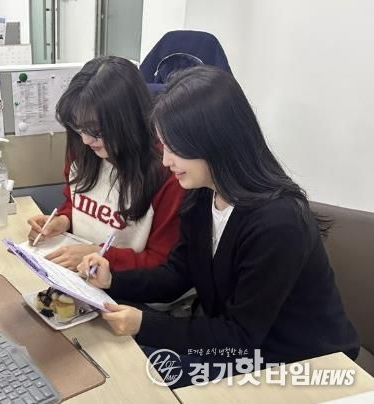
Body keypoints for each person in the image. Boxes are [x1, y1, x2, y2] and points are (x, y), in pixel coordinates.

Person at [77, 65, 359, 386]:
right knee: (110, 357)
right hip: (240, 346)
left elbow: (240, 339)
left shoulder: (278, 223)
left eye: (174, 148)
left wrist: (145, 324)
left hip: (303, 366)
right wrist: (112, 279)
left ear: (214, 143)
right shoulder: (202, 193)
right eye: (163, 146)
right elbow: (176, 274)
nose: (166, 161)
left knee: (136, 377)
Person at [27, 56, 183, 271]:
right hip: (80, 276)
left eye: (96, 130)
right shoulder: (84, 149)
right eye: (78, 127)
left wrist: (100, 255)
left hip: (126, 286)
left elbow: (163, 264)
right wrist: (63, 220)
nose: (85, 139)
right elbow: (77, 201)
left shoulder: (169, 172)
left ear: (128, 121)